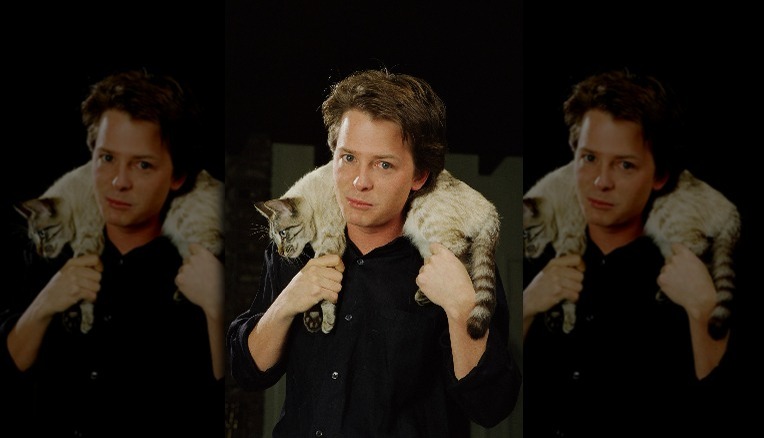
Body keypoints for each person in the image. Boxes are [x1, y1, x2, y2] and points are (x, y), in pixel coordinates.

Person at [228, 69, 521, 437]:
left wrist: (462, 307)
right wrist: (286, 303)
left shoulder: (455, 261)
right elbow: (248, 372)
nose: (359, 181)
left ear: (419, 176)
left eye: (383, 164)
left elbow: (491, 406)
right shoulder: (298, 245)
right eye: (348, 157)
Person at [0, 70, 224, 437]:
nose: (119, 181)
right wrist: (45, 303)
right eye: (107, 158)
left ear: (176, 175)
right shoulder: (49, 247)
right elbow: (4, 375)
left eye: (142, 164)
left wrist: (216, 307)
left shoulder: (202, 268)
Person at [522, 70, 737, 437]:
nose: (600, 181)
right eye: (589, 158)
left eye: (625, 165)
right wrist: (527, 306)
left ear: (660, 176)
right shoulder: (537, 258)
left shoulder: (691, 274)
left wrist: (701, 310)